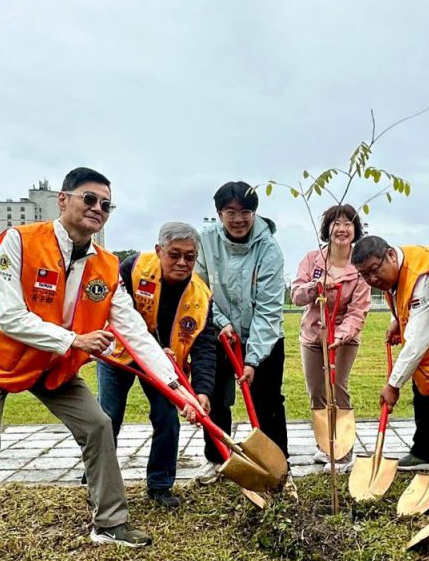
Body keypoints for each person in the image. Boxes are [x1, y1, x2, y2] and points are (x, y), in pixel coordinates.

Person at [0, 168, 203, 561]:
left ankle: (110, 523)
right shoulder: (20, 241)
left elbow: (136, 334)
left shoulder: (107, 265)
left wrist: (178, 391)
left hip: (51, 367)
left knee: (98, 425)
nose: (98, 209)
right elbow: (10, 317)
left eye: (106, 204)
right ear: (63, 200)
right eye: (89, 199)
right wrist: (74, 341)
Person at [93, 222, 217, 508]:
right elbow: (116, 310)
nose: (182, 263)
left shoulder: (201, 295)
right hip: (119, 356)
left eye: (190, 256)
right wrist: (151, 343)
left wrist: (202, 391)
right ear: (159, 250)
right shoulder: (132, 268)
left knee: (167, 418)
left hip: (166, 367)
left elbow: (204, 347)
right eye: (174, 255)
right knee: (107, 417)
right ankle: (97, 480)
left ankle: (160, 484)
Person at [352, 236, 429, 484]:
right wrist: (397, 320)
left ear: (391, 256)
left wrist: (393, 384)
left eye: (375, 270)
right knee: (424, 403)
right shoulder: (397, 272)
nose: (372, 279)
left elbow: (419, 336)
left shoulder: (423, 275)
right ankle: (423, 451)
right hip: (427, 358)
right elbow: (406, 303)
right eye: (364, 275)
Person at [193, 181, 288, 483]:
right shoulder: (205, 241)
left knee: (267, 402)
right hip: (218, 333)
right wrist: (222, 323)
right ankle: (217, 457)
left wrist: (254, 359)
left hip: (264, 336)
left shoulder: (269, 248)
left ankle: (277, 464)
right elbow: (200, 291)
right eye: (230, 212)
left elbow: (269, 308)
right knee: (217, 399)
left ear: (254, 213)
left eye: (245, 212)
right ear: (219, 213)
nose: (238, 219)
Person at [291, 204, 372, 472]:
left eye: (348, 223)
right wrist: (315, 288)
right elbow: (296, 295)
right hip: (313, 334)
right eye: (336, 223)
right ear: (327, 228)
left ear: (355, 229)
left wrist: (340, 334)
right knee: (317, 392)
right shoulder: (313, 260)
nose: (342, 228)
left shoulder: (360, 266)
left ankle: (344, 451)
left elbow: (358, 309)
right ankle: (325, 444)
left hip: (343, 338)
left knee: (337, 388)